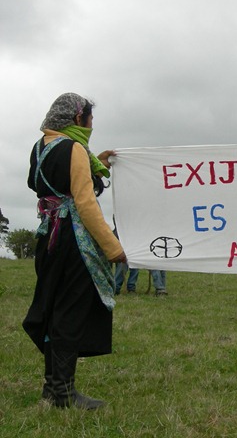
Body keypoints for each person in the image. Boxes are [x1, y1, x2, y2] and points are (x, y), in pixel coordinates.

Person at [23, 92, 126, 410]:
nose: (91, 125)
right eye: (89, 119)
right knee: (69, 312)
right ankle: (64, 394)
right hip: (73, 242)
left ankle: (52, 389)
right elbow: (84, 202)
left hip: (48, 239)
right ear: (77, 119)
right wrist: (113, 247)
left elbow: (39, 184)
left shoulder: (41, 147)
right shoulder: (74, 149)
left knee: (55, 311)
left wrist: (99, 164)